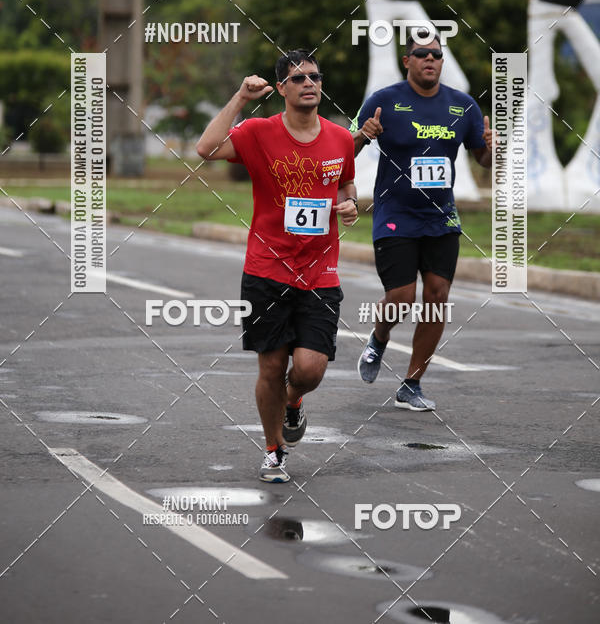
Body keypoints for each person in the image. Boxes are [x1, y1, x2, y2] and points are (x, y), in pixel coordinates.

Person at [196, 50, 357, 482]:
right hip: (267, 269)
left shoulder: (341, 138)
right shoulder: (258, 132)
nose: (309, 83)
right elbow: (205, 149)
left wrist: (352, 204)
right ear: (282, 88)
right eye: (299, 78)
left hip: (321, 272)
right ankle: (274, 450)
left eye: (315, 77)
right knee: (270, 367)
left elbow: (346, 183)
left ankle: (294, 401)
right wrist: (240, 99)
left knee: (309, 369)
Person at [352, 28, 493, 410]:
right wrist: (364, 135)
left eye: (436, 55)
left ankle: (411, 384)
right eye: (422, 54)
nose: (430, 60)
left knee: (437, 297)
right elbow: (344, 151)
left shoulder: (463, 106)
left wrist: (493, 149)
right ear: (407, 61)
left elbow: (481, 157)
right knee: (401, 297)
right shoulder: (384, 101)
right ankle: (379, 339)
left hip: (441, 218)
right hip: (395, 213)